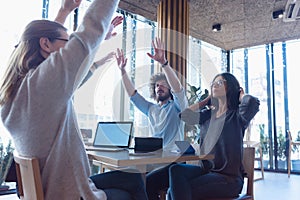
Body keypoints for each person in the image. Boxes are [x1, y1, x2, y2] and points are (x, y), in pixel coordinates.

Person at [0, 0, 148, 199]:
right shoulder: (42, 85)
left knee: (133, 179)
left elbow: (40, 40)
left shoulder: (16, 91)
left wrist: (64, 11)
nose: (70, 48)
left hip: (54, 186)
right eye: (68, 42)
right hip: (70, 193)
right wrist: (92, 36)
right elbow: (91, 27)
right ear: (45, 44)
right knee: (129, 189)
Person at [115, 37, 188, 200]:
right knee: (129, 178)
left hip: (173, 163)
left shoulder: (177, 107)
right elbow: (133, 95)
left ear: (169, 89)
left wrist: (164, 64)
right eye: (156, 85)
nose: (159, 87)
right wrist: (122, 72)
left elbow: (179, 91)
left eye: (163, 85)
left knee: (146, 183)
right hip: (153, 161)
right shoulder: (151, 109)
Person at [167, 72, 260, 200]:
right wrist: (206, 100)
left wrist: (241, 94)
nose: (215, 86)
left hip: (229, 179)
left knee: (177, 191)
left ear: (231, 87)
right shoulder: (208, 115)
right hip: (207, 172)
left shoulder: (238, 115)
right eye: (213, 84)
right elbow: (184, 115)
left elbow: (252, 102)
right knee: (175, 170)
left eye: (220, 83)